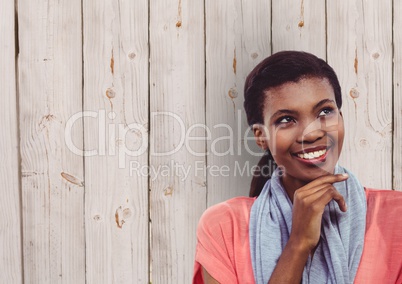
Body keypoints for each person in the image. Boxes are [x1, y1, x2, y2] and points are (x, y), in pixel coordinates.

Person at [193, 51, 402, 284]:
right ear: (261, 137)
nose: (312, 133)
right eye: (286, 119)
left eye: (325, 112)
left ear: (340, 117)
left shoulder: (397, 216)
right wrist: (299, 243)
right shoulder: (223, 226)